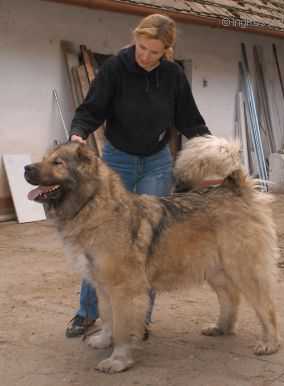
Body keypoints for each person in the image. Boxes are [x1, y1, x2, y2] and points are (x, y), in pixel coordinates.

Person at [66, 13, 211, 337]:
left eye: (154, 52)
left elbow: (190, 119)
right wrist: (78, 133)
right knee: (98, 240)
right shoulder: (116, 67)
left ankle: (138, 319)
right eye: (141, 47)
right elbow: (92, 109)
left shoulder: (173, 76)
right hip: (117, 161)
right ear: (135, 39)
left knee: (150, 244)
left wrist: (212, 151)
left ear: (166, 52)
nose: (144, 56)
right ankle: (87, 313)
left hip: (157, 163)